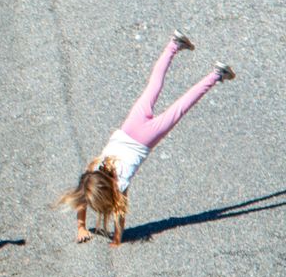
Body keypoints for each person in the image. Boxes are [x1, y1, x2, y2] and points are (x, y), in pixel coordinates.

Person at [58, 31, 235, 246]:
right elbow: (82, 199)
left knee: (180, 107)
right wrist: (81, 226)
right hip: (128, 128)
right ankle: (174, 44)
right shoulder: (92, 172)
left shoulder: (119, 183)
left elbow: (118, 211)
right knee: (153, 86)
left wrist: (116, 237)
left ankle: (217, 74)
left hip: (144, 139)